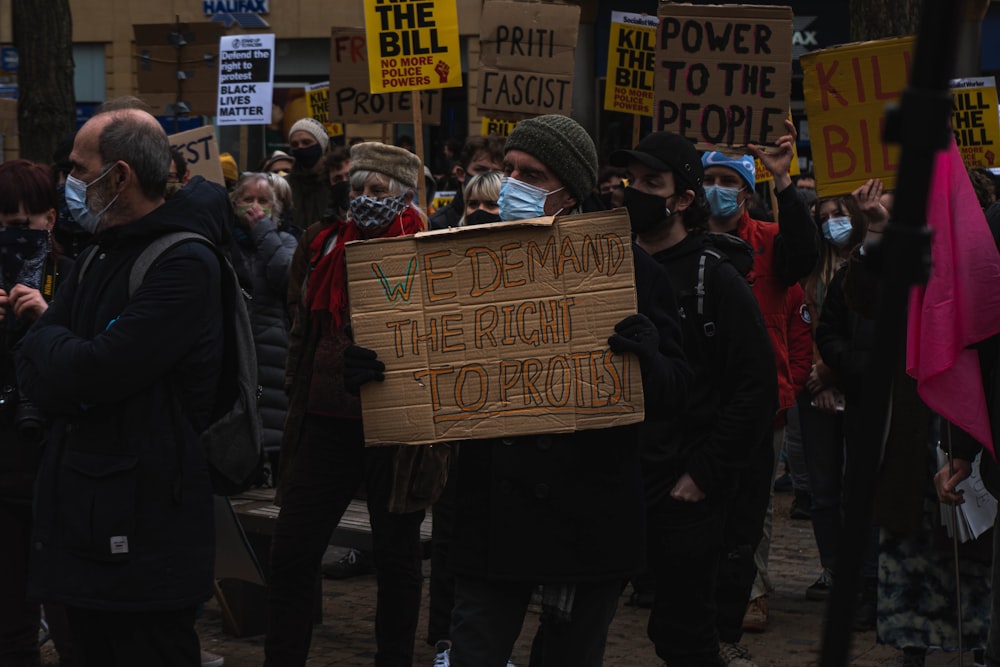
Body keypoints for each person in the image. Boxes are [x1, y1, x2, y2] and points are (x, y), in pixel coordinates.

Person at [428, 114, 691, 666]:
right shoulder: (464, 261)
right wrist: (380, 370)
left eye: (533, 174)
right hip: (492, 515)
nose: (513, 185)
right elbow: (429, 365)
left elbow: (675, 392)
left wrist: (648, 356)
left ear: (568, 191)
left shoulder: (630, 271)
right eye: (509, 170)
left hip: (585, 516)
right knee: (474, 649)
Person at [15, 107, 230, 665]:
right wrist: (61, 351)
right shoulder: (98, 255)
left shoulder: (183, 262)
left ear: (120, 176)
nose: (70, 183)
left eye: (78, 169)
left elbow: (96, 369)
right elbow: (41, 372)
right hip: (83, 516)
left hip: (146, 529)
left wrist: (53, 343)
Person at [611, 131, 778, 667]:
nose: (634, 191)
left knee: (685, 636)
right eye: (630, 181)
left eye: (651, 183)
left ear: (683, 199)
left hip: (687, 488)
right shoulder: (607, 269)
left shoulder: (716, 279)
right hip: (619, 476)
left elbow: (756, 390)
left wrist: (703, 474)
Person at [265, 141, 427, 667]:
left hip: (397, 432)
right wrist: (300, 387)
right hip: (325, 422)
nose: (363, 197)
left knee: (397, 557)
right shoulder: (321, 244)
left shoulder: (432, 251)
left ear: (403, 196)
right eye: (357, 187)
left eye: (376, 189)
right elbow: (300, 328)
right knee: (291, 549)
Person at [700, 122, 819, 644]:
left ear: (747, 192)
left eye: (730, 180)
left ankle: (752, 590)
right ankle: (697, 591)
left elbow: (804, 255)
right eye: (711, 178)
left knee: (754, 506)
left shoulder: (770, 242)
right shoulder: (686, 241)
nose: (718, 189)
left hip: (760, 402)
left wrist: (785, 184)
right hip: (700, 397)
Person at [0, 159, 76, 667]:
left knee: (71, 612)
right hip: (4, 468)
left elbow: (93, 363)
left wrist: (47, 321)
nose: (14, 237)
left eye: (24, 226)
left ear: (49, 220)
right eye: (5, 226)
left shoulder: (73, 276)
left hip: (59, 460)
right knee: (10, 616)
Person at [797, 186, 871, 603]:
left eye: (838, 214)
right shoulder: (812, 269)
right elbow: (806, 324)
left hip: (855, 385)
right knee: (822, 489)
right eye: (823, 216)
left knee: (857, 484)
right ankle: (833, 568)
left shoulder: (871, 265)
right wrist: (817, 376)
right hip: (815, 388)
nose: (830, 224)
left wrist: (834, 373)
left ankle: (864, 573)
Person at [227, 173, 297, 478]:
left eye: (263, 201)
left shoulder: (285, 240)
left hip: (273, 347)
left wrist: (263, 232)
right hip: (236, 345)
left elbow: (287, 278)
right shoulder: (225, 244)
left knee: (273, 415)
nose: (255, 206)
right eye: (248, 200)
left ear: (275, 208)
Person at [429, 135, 505, 230]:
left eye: (497, 173)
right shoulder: (438, 224)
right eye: (481, 170)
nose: (487, 178)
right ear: (461, 174)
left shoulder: (514, 219)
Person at [286, 117, 330, 230]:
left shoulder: (335, 181)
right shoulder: (286, 185)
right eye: (295, 144)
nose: (300, 147)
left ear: (321, 145)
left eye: (306, 142)